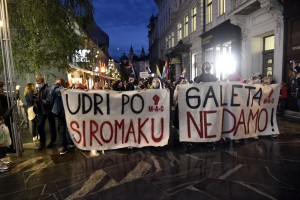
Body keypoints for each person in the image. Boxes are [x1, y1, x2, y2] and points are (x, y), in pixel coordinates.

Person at [51, 78, 74, 155]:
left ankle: (68, 145)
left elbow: (54, 91)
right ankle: (67, 145)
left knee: (65, 129)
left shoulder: (61, 89)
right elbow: (54, 92)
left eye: (57, 81)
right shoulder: (60, 89)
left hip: (64, 112)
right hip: (63, 112)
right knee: (64, 129)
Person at [35, 76, 57, 150]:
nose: (37, 84)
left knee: (52, 125)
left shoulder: (48, 89)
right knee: (40, 125)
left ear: (42, 82)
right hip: (41, 111)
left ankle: (53, 141)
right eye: (37, 82)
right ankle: (42, 143)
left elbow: (48, 100)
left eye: (39, 82)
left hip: (48, 110)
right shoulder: (38, 90)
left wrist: (40, 101)